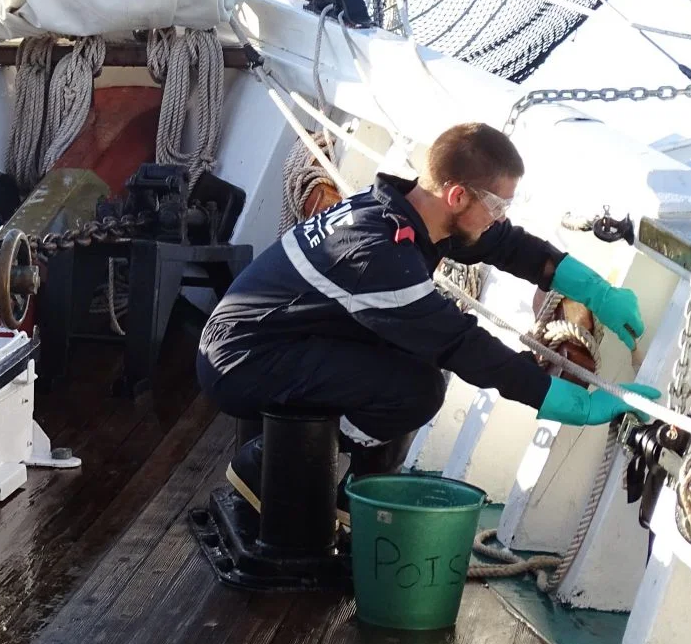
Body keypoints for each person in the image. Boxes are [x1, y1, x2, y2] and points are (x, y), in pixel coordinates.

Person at [196, 122, 657, 511]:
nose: (500, 218)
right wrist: (575, 405)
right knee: (416, 390)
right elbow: (464, 347)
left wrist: (599, 293)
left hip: (281, 336)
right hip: (242, 361)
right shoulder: (379, 257)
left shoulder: (409, 212)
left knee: (409, 364)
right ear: (457, 195)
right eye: (497, 206)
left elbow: (508, 245)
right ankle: (276, 468)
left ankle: (337, 488)